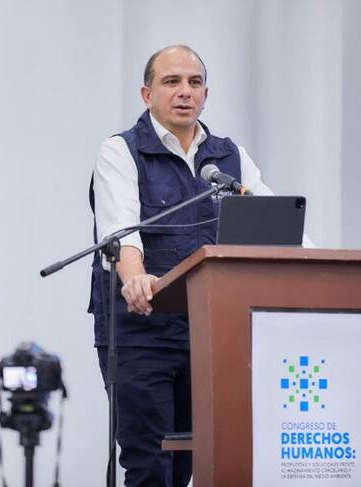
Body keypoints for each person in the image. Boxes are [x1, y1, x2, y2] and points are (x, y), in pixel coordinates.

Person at [88, 45, 273, 487]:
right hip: (141, 331)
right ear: (147, 93)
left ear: (206, 94)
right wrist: (135, 279)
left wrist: (322, 265)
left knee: (189, 462)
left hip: (211, 332)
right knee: (149, 463)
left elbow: (275, 224)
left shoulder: (230, 158)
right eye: (171, 82)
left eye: (194, 83)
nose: (184, 92)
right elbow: (122, 231)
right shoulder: (121, 151)